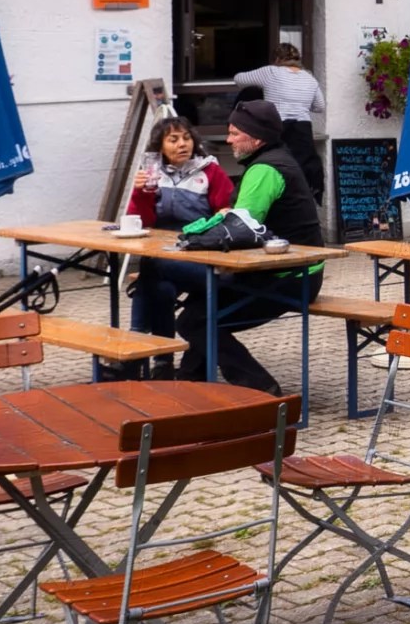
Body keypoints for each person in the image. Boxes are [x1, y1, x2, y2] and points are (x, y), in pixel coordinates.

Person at [129, 100, 323, 391]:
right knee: (197, 306)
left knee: (195, 318)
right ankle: (190, 380)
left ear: (255, 137)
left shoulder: (265, 170)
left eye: (234, 133)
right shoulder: (271, 160)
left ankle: (263, 391)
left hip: (289, 278)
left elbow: (239, 228)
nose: (229, 139)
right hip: (285, 271)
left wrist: (192, 240)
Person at [233, 44, 326, 197]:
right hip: (303, 129)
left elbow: (239, 79)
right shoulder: (309, 77)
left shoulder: (271, 72)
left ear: (276, 59)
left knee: (275, 167)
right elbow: (319, 106)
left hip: (278, 126)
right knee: (299, 172)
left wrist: (261, 89)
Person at [128, 118, 230, 230]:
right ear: (160, 147)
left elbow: (226, 210)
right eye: (173, 140)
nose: (182, 144)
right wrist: (139, 193)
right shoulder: (153, 174)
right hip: (159, 237)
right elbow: (142, 222)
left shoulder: (211, 170)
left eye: (187, 138)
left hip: (200, 237)